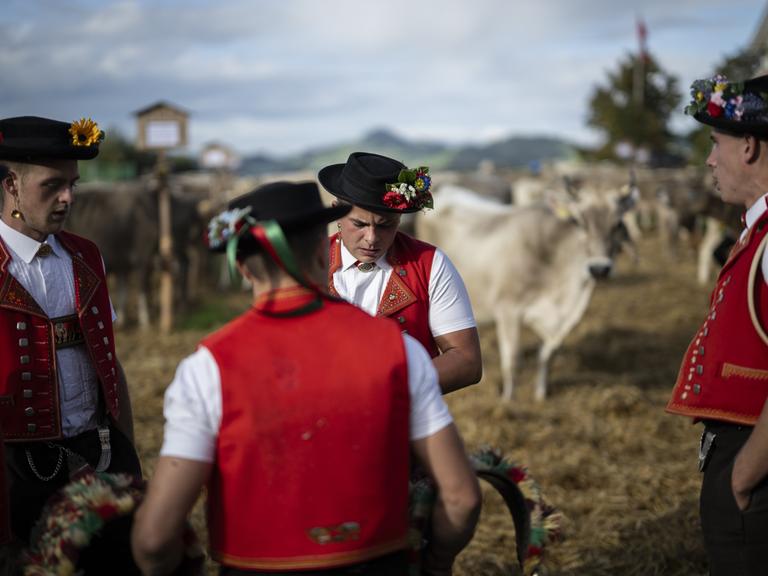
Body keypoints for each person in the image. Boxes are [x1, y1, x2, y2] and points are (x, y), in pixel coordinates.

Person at [131, 181, 481, 576]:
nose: (371, 237)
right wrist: (434, 563)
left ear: (243, 268)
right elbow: (463, 498)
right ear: (323, 250)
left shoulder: (207, 366)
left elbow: (154, 540)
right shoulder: (400, 351)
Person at [0, 116, 140, 544]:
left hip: (97, 456)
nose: (67, 198)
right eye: (52, 186)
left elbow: (108, 361)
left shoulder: (85, 255)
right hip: (16, 470)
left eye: (73, 185)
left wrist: (129, 457)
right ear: (11, 186)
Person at [666, 73, 768, 575]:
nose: (709, 160)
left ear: (748, 146)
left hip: (757, 461)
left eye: (715, 143)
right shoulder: (759, 231)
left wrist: (743, 477)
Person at [318, 152, 482, 394]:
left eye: (385, 225)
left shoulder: (430, 264)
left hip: (407, 422)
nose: (371, 239)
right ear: (336, 214)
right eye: (360, 224)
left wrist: (386, 391)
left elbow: (466, 362)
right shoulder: (310, 265)